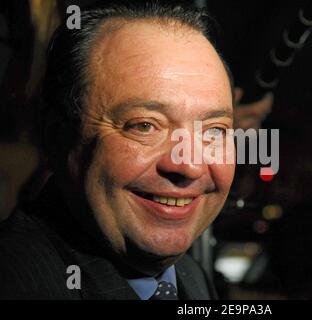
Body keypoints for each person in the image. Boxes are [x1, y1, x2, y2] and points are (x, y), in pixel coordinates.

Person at [0, 1, 235, 300]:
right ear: (56, 135)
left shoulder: (190, 276)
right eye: (145, 126)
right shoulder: (18, 283)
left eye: (214, 130)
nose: (189, 166)